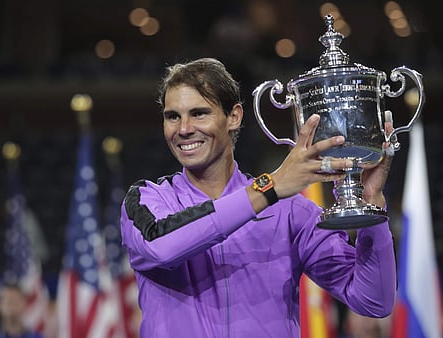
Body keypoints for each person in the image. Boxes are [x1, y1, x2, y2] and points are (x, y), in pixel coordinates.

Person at [120, 57, 397, 337]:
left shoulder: (291, 212)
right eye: (172, 116)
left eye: (199, 113)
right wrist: (269, 187)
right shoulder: (147, 199)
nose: (183, 129)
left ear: (234, 117)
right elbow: (161, 245)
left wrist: (373, 205)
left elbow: (373, 300)